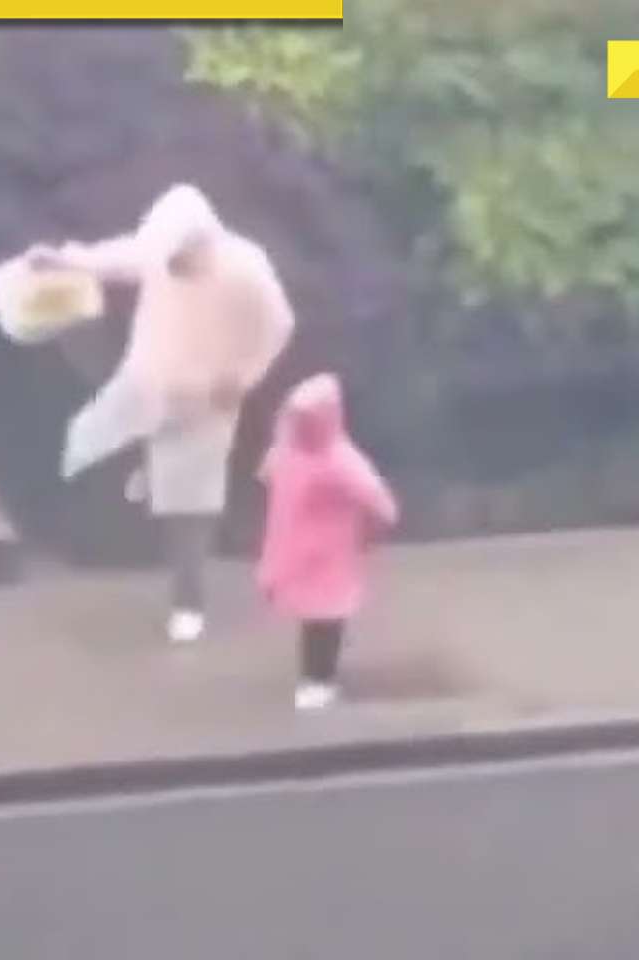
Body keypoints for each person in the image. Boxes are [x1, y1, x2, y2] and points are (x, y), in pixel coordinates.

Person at [35, 184, 295, 644]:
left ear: (204, 242)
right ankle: (140, 472)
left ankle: (188, 602)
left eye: (179, 259)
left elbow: (278, 325)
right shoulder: (157, 254)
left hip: (204, 400)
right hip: (147, 379)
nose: (171, 267)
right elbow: (118, 258)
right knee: (86, 440)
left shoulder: (246, 270)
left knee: (189, 504)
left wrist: (242, 376)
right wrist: (65, 260)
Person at [256, 373, 399, 710]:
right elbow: (382, 505)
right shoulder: (335, 457)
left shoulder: (301, 453)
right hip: (323, 553)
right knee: (324, 615)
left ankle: (317, 678)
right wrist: (370, 530)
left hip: (308, 551)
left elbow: (267, 474)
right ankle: (317, 680)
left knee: (319, 617)